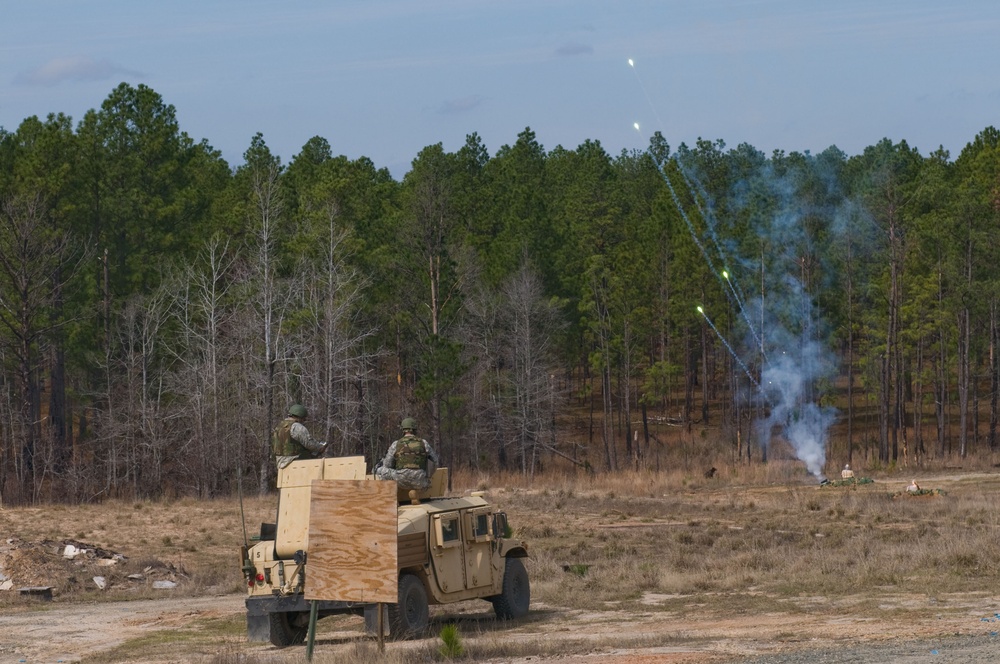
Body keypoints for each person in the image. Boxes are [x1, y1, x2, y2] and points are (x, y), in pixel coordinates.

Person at [375, 417, 439, 490]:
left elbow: (387, 465)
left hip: (401, 480)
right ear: (415, 429)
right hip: (420, 482)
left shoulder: (396, 444)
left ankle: (389, 493)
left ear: (403, 429)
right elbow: (435, 462)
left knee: (380, 470)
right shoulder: (424, 443)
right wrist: (427, 476)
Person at [272, 404, 328, 470]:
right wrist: (320, 447)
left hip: (280, 462)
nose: (304, 420)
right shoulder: (297, 427)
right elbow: (309, 443)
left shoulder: (279, 426)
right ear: (300, 417)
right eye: (304, 418)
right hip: (294, 461)